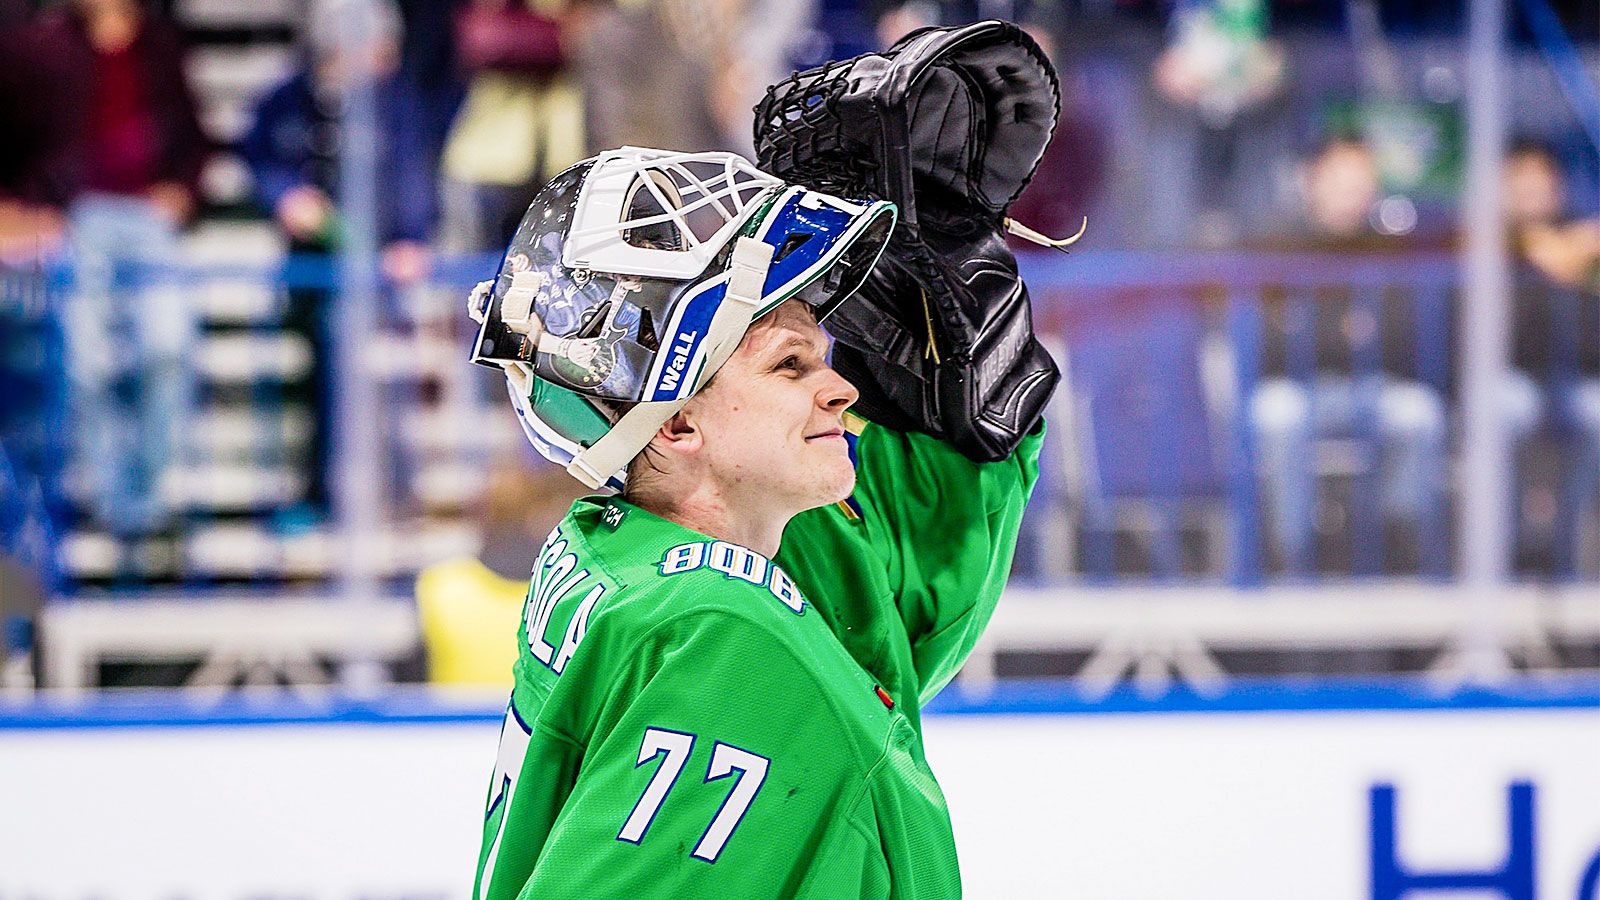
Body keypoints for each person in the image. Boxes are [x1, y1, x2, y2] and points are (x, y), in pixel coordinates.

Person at [466, 147, 1042, 897]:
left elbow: (863, 657)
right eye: (789, 366)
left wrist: (957, 449)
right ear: (674, 425)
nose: (840, 389)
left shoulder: (624, 553)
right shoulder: (722, 633)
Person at [1248, 135, 1447, 574]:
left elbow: (1401, 336)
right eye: (1340, 181)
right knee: (1277, 415)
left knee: (1418, 413)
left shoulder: (1390, 249)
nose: (1352, 194)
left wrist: (1314, 328)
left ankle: (1398, 551)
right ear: (1313, 181)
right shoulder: (1280, 244)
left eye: (1362, 183)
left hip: (1371, 386)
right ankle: (1290, 556)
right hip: (1295, 388)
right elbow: (1267, 342)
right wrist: (1342, 330)